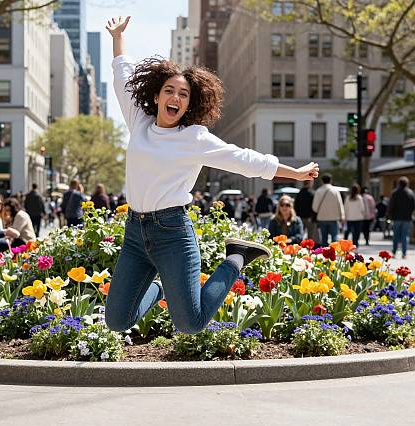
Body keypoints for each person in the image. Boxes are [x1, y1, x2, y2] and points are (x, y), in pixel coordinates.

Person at [103, 16, 319, 334]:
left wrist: (294, 174)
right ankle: (161, 291)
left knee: (190, 323)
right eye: (169, 91)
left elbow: (243, 160)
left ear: (190, 103)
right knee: (117, 320)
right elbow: (123, 75)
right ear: (156, 96)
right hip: (135, 232)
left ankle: (237, 258)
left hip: (172, 233)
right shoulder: (140, 121)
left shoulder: (195, 138)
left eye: (183, 94)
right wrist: (117, 38)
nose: (175, 98)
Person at [312, 174, 345, 247]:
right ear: (331, 180)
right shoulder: (335, 191)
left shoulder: (318, 191)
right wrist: (342, 215)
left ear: (322, 181)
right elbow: (340, 204)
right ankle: (334, 253)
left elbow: (314, 207)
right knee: (334, 237)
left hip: (322, 218)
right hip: (334, 218)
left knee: (324, 238)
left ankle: (325, 254)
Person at [387, 176, 415, 258]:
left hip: (396, 218)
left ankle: (394, 252)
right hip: (407, 218)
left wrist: (389, 215)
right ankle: (404, 253)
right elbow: (413, 205)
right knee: (404, 236)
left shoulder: (395, 193)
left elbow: (391, 205)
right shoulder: (411, 193)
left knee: (396, 235)